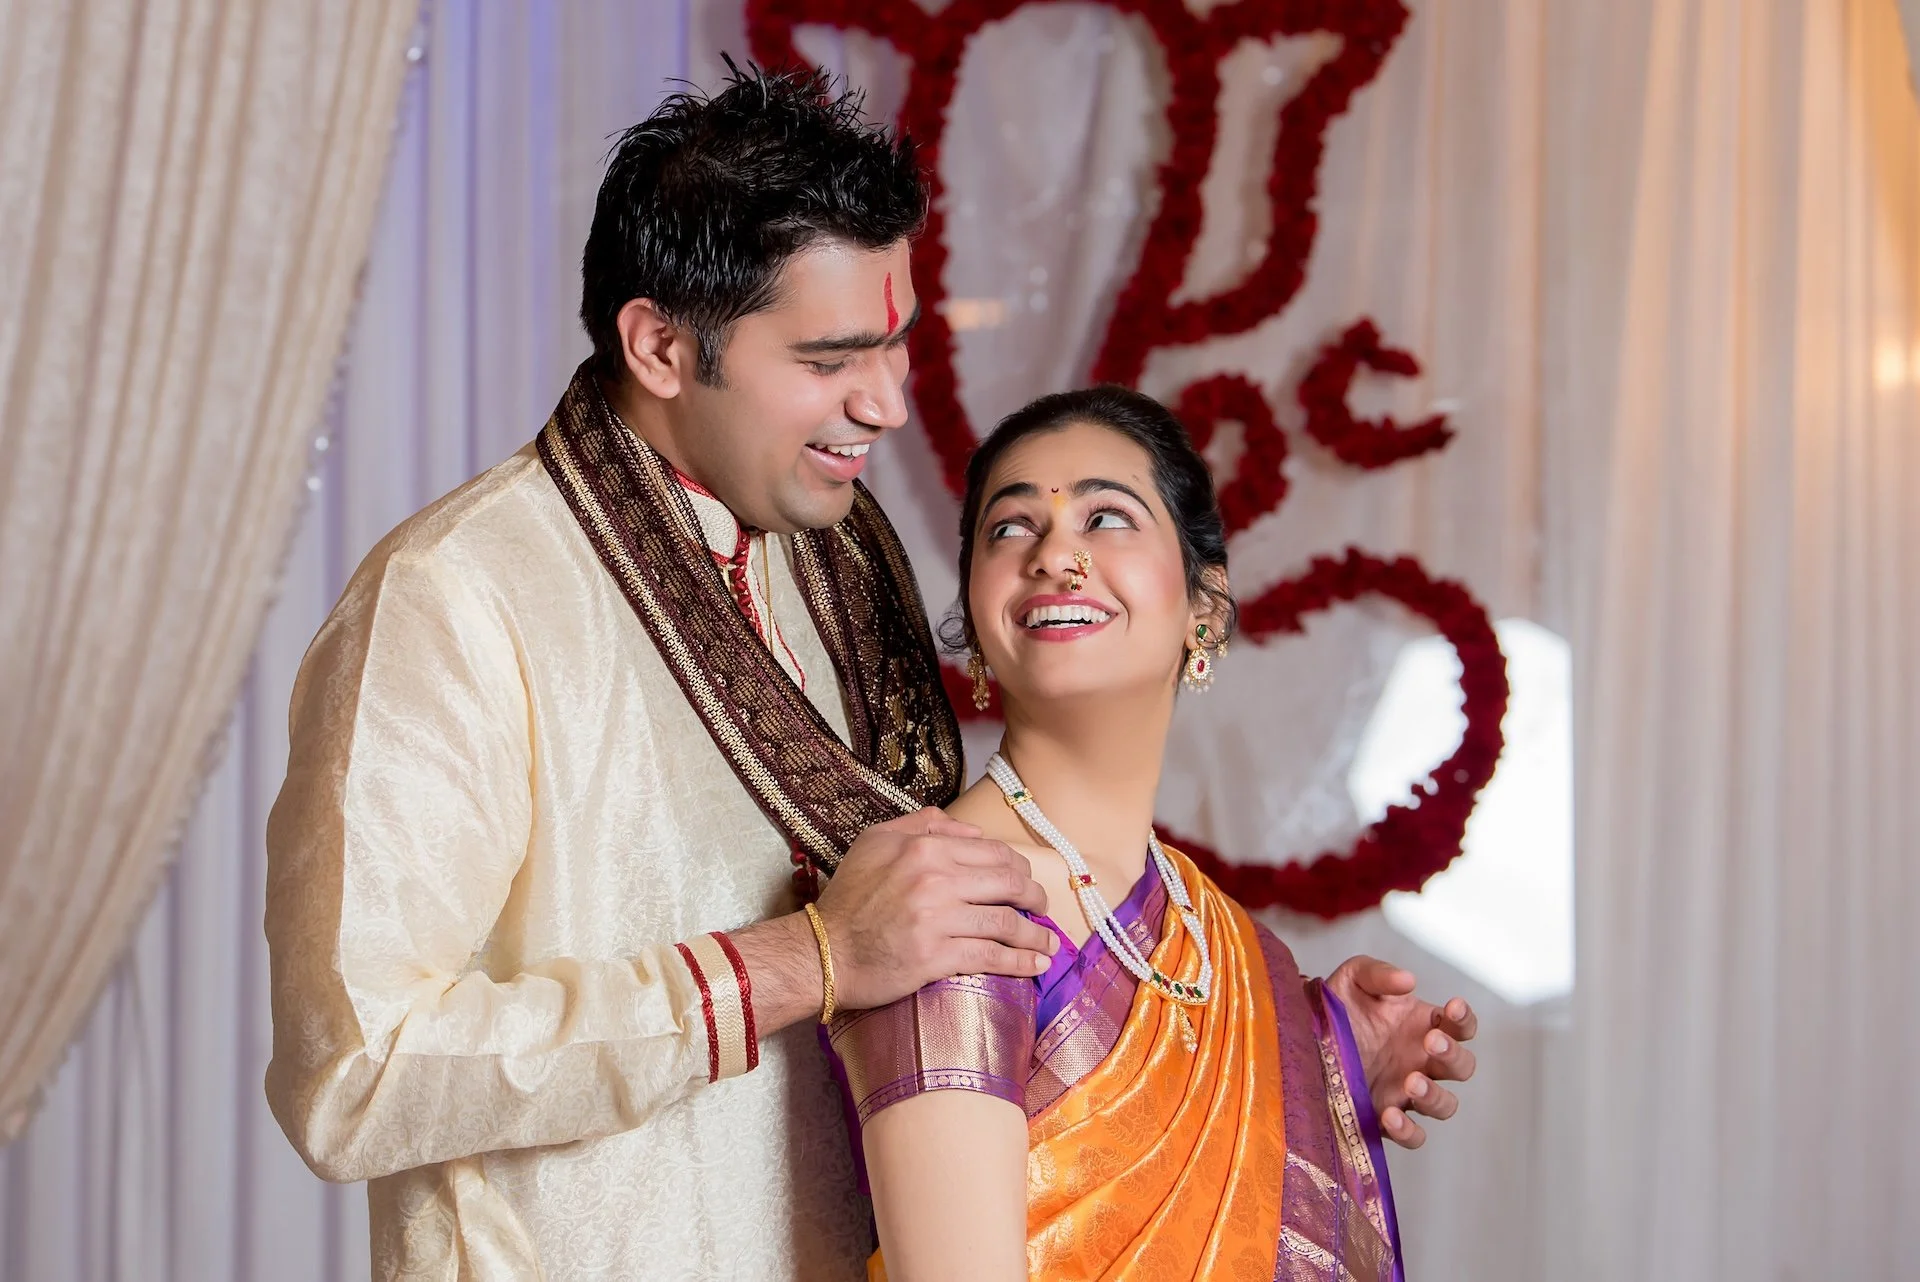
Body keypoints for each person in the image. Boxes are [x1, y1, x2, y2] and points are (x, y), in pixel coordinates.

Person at [263, 64, 1475, 1280]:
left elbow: (988, 1019)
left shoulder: (840, 556)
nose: (890, 401)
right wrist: (805, 960)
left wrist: (1291, 1052)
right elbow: (354, 1068)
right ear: (662, 347)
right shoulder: (461, 597)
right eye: (835, 355)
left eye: (896, 341)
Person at [832, 386, 1444, 1281]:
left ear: (1206, 605)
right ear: (975, 621)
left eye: (1106, 516)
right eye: (1009, 529)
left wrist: (1324, 1067)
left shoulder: (1222, 942)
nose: (1057, 556)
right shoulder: (950, 900)